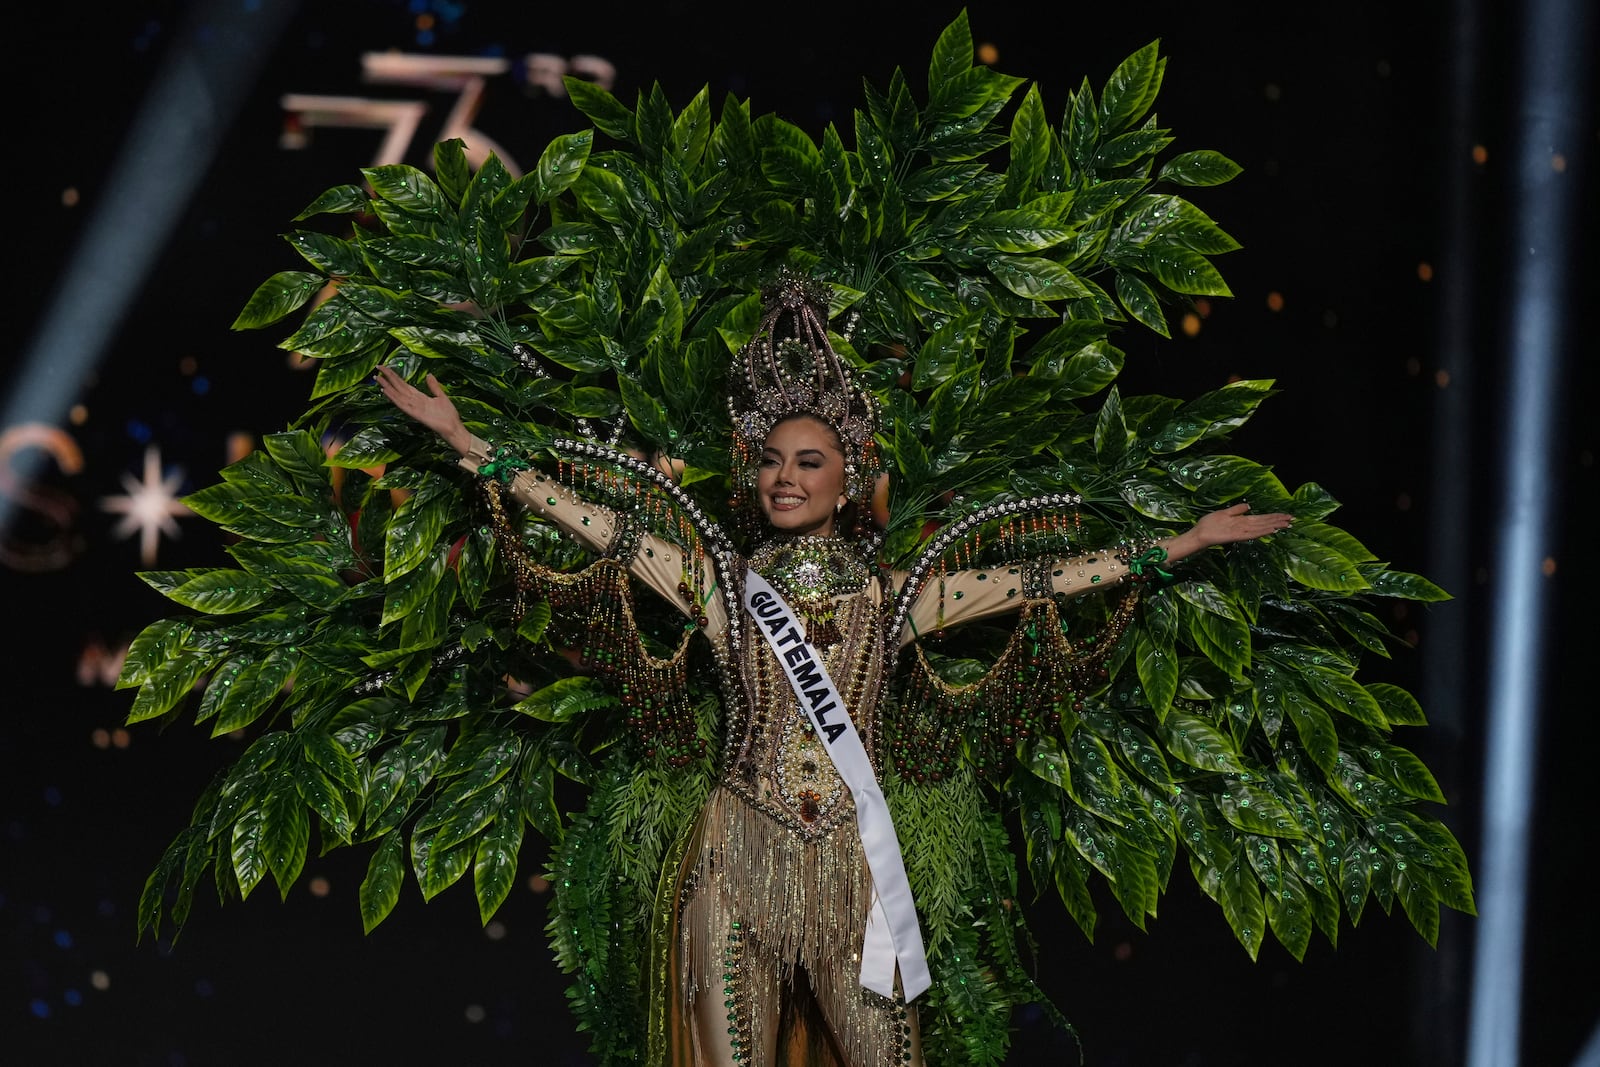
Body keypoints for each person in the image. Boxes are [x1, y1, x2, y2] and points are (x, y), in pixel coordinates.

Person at [375, 276, 1291, 1067]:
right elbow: (602, 526)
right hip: (735, 861)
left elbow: (1035, 579)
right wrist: (469, 444)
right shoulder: (723, 587)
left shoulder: (898, 597)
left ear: (847, 478)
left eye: (808, 461)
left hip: (855, 880)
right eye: (771, 460)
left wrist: (1181, 543)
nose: (784, 476)